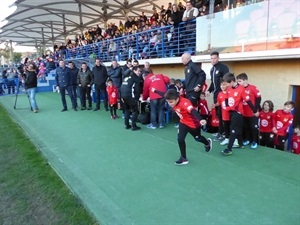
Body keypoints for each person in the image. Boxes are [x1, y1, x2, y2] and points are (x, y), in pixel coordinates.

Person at [164, 89, 212, 165]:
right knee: (180, 139)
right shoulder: (172, 98)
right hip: (183, 122)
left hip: (193, 124)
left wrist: (200, 119)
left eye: (171, 102)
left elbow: (193, 111)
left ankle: (207, 143)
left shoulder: (185, 103)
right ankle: (184, 158)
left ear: (177, 99)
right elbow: (163, 94)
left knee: (198, 138)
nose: (169, 104)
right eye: (168, 102)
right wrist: (155, 91)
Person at [221, 73, 258, 156]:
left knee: (233, 130)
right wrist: (227, 107)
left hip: (238, 113)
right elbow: (226, 99)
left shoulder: (241, 89)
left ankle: (229, 148)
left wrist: (255, 111)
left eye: (227, 83)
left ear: (231, 81)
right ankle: (240, 144)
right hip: (231, 112)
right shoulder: (229, 89)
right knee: (238, 129)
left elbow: (248, 101)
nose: (225, 85)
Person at [206, 51, 229, 141]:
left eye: (214, 58)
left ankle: (225, 134)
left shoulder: (223, 68)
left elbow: (226, 82)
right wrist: (209, 90)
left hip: (223, 96)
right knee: (218, 115)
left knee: (224, 115)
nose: (213, 60)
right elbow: (213, 83)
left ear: (218, 58)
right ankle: (220, 132)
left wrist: (225, 94)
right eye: (211, 58)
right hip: (215, 96)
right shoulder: (212, 70)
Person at [236, 73, 261, 149]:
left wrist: (255, 110)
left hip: (252, 113)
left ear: (245, 80)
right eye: (237, 81)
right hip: (243, 113)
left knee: (253, 128)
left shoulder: (253, 88)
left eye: (240, 81)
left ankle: (254, 141)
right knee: (245, 127)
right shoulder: (239, 89)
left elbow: (258, 98)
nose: (238, 83)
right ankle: (247, 139)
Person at [120, 66, 141, 131]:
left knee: (127, 110)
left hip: (123, 95)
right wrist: (137, 99)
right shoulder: (136, 78)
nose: (139, 72)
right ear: (134, 71)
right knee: (135, 111)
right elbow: (137, 89)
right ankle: (133, 126)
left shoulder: (127, 77)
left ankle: (127, 125)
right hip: (130, 96)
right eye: (138, 71)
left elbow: (122, 87)